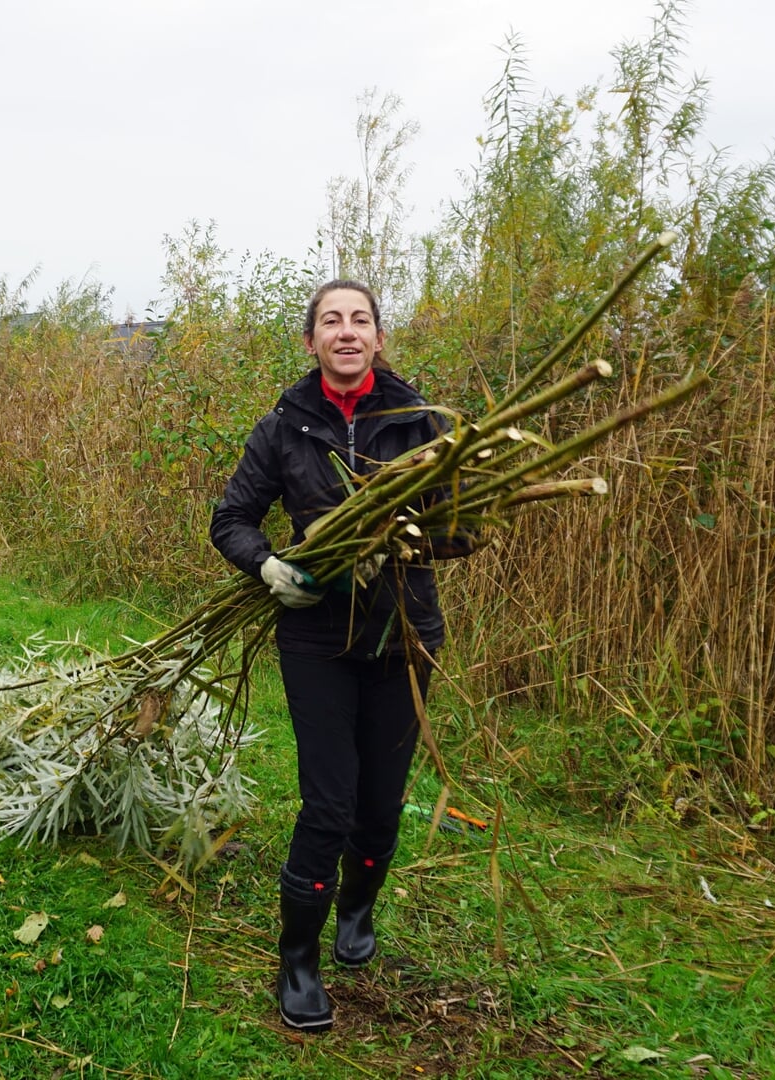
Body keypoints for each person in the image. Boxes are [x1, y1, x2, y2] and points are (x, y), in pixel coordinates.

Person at [208, 280, 476, 1032]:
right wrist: (266, 565)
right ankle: (298, 958)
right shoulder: (284, 426)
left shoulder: (419, 421)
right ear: (311, 341)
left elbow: (466, 529)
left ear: (379, 337)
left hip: (404, 636)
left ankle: (357, 906)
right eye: (332, 321)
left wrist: (408, 534)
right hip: (318, 638)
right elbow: (231, 518)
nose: (347, 331)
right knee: (329, 806)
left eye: (360, 319)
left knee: (380, 807)